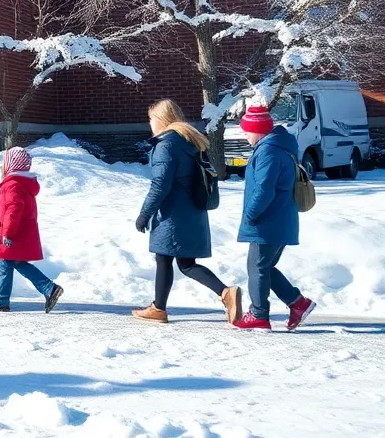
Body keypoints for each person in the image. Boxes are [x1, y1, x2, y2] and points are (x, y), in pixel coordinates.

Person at [131, 100, 242, 325]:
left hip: (173, 214)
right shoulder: (190, 141)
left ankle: (160, 308)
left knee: (166, 260)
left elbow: (160, 184)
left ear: (162, 120)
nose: (149, 123)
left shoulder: (166, 146)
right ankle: (162, 307)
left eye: (151, 118)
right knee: (184, 262)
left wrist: (145, 213)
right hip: (192, 210)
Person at [232, 104, 315, 331]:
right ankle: (298, 303)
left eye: (247, 130)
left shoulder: (269, 151)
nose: (244, 134)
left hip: (267, 221)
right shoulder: (277, 146)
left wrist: (250, 215)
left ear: (258, 129)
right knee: (265, 267)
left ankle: (259, 315)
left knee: (256, 268)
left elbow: (264, 189)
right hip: (279, 219)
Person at [0, 147, 64, 313]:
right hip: (20, 231)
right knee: (10, 263)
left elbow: (13, 209)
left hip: (13, 233)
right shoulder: (21, 184)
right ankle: (5, 299)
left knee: (10, 263)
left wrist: (7, 233)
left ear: (10, 165)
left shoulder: (13, 185)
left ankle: (46, 289)